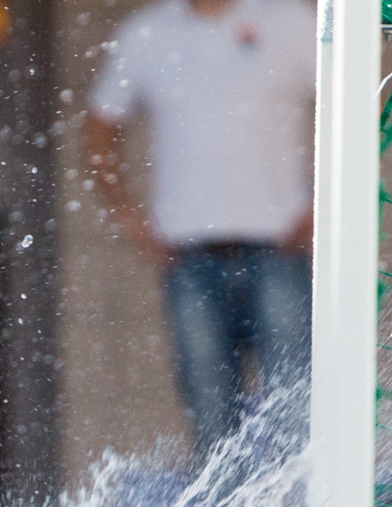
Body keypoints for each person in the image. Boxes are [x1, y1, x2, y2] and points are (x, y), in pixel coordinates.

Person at [85, 0, 314, 461]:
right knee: (211, 424)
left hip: (279, 254)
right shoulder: (148, 33)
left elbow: (359, 104)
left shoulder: (290, 21)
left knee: (297, 416)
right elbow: (99, 124)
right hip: (190, 261)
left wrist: (321, 206)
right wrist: (127, 216)